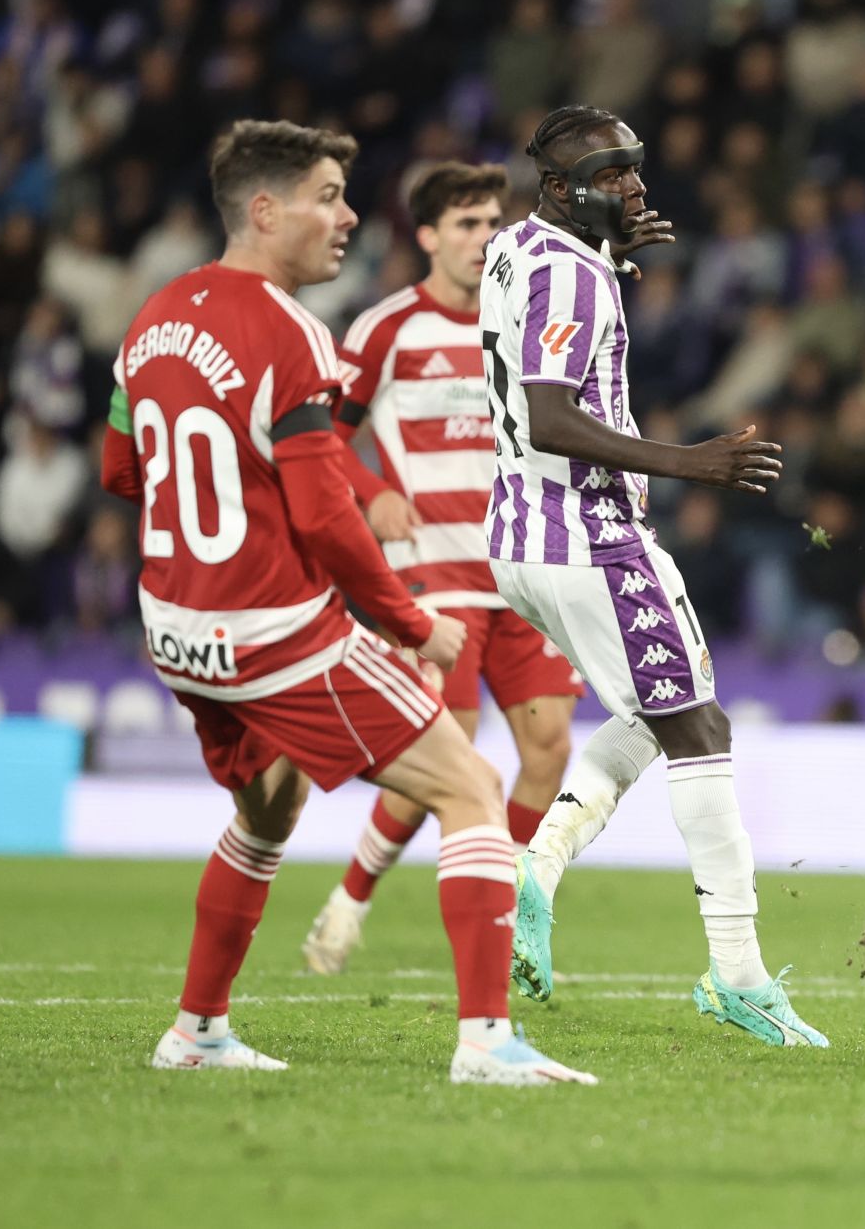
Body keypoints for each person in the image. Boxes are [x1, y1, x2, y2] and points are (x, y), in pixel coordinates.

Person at [100, 120, 591, 1085]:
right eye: (328, 195)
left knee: (267, 811)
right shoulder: (292, 330)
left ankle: (195, 1030)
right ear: (264, 208)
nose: (347, 216)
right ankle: (488, 1043)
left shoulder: (153, 313)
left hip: (176, 627)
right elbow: (327, 517)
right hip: (276, 630)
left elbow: (123, 468)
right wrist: (414, 625)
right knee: (472, 790)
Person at [481, 104, 826, 1047]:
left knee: (666, 704)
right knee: (699, 726)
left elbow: (538, 348)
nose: (635, 187)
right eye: (612, 176)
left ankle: (537, 867)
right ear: (560, 190)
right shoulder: (573, 276)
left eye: (635, 168)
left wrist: (614, 251)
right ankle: (740, 973)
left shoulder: (518, 246)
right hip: (587, 535)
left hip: (520, 537)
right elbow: (552, 413)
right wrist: (690, 461)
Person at [299, 161, 585, 975]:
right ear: (427, 236)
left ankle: (508, 910)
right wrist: (373, 490)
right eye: (465, 224)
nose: (483, 238)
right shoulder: (387, 327)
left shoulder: (527, 320)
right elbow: (321, 434)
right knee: (449, 751)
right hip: (433, 574)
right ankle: (352, 897)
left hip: (523, 570)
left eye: (494, 221)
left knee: (550, 748)